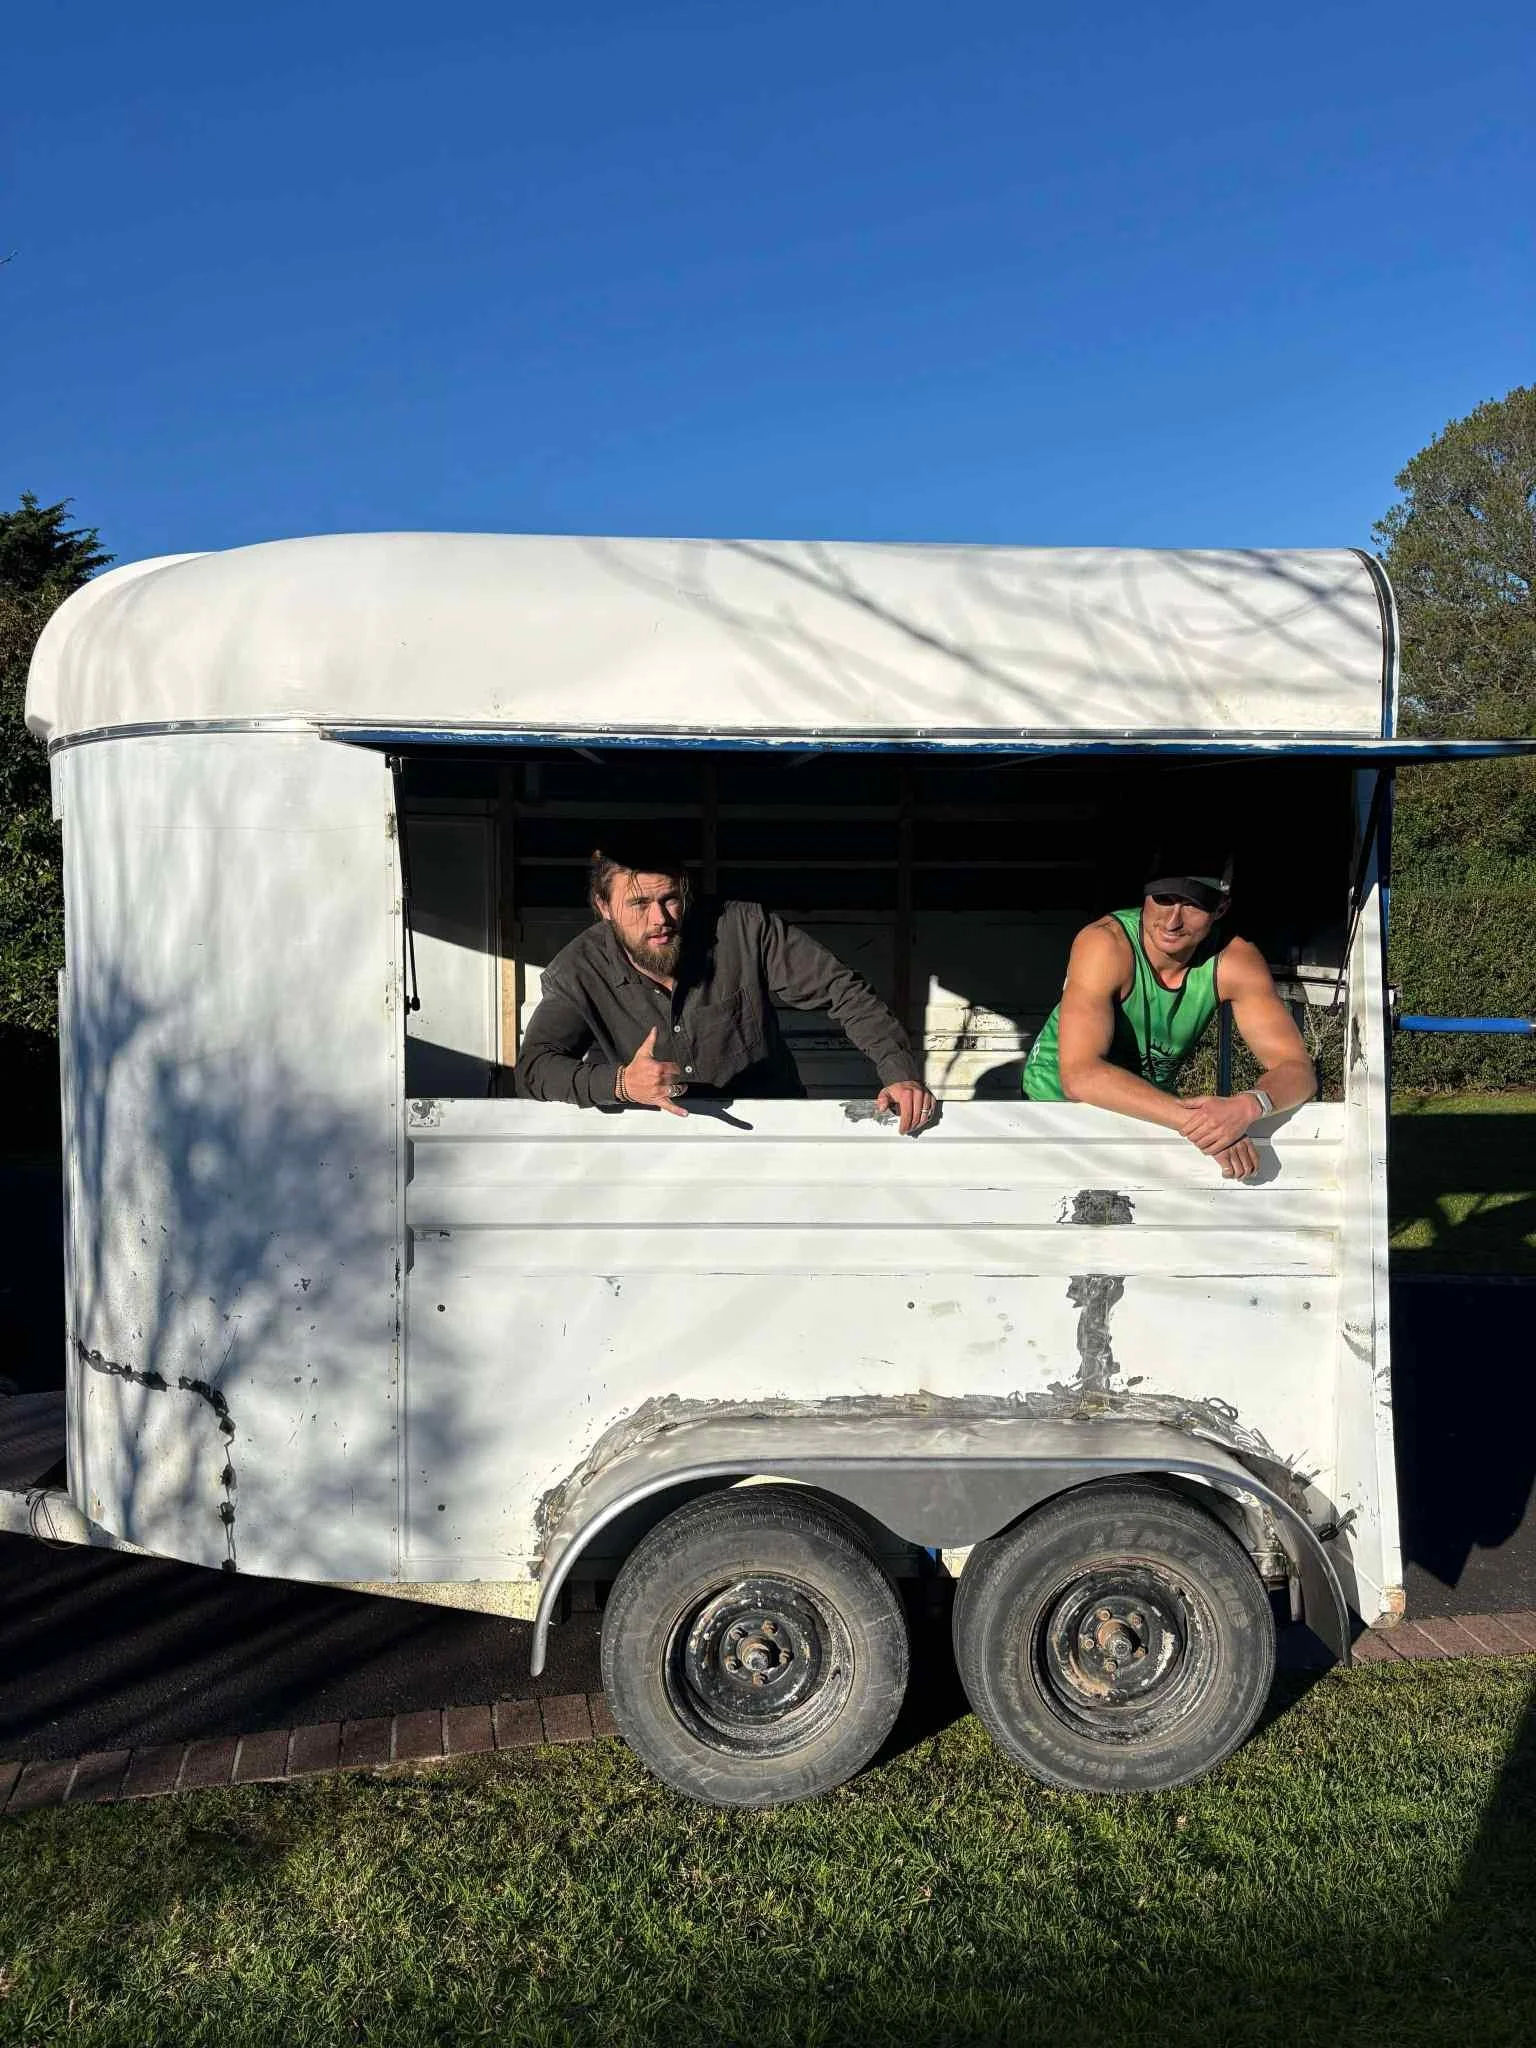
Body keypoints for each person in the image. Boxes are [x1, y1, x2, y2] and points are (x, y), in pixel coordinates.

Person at [516, 846, 937, 1133]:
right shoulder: (579, 968)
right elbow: (534, 1070)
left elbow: (843, 990)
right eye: (640, 905)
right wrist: (622, 1084)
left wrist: (900, 1075)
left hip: (772, 1132)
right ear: (604, 907)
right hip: (655, 1144)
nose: (660, 918)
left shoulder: (743, 929)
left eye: (670, 899)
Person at [1021, 854, 1315, 1179]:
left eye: (1193, 905)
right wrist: (1203, 1125)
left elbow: (1297, 1071)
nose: (1173, 920)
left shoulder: (1236, 961)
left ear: (1220, 909)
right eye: (1163, 899)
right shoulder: (1105, 944)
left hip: (1150, 1111)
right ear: (1145, 894)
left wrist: (1245, 1107)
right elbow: (1080, 1076)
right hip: (1053, 1105)